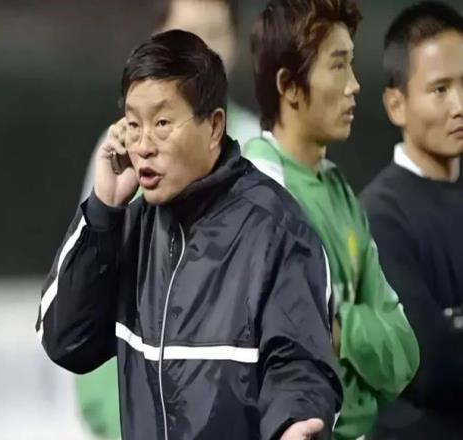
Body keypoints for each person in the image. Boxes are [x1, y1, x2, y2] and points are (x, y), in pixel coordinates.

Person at [36, 29, 343, 440]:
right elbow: (65, 340)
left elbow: (300, 364)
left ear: (214, 127)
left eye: (162, 123)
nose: (143, 145)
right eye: (133, 124)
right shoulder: (127, 226)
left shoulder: (276, 229)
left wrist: (295, 422)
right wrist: (102, 209)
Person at [243, 1, 419, 439]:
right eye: (338, 66)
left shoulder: (340, 194)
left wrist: (343, 329)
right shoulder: (257, 192)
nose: (354, 85)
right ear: (289, 86)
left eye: (351, 64)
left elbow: (403, 356)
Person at [360, 2, 463, 439]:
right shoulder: (379, 216)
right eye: (440, 89)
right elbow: (430, 365)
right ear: (396, 104)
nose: (459, 105)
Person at [80, 0, 259, 201]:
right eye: (186, 37)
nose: (201, 54)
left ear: (236, 42)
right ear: (157, 41)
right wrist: (109, 207)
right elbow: (90, 220)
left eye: (214, 34)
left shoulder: (257, 146)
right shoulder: (118, 150)